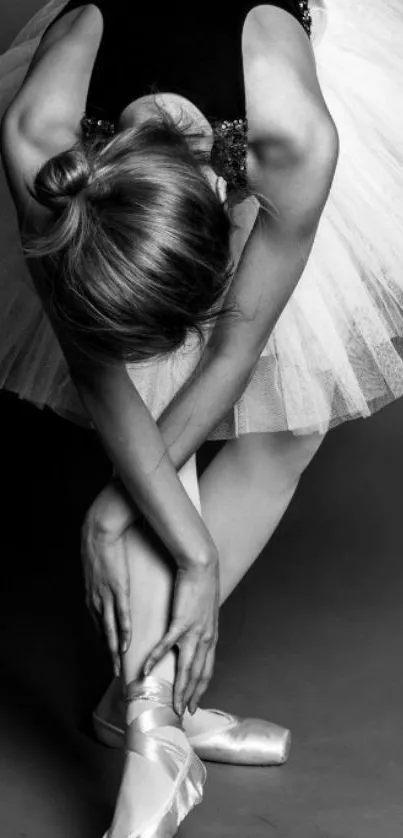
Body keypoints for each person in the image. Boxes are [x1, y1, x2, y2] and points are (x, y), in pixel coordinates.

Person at [1, 1, 402, 836]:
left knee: (286, 429)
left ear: (227, 205)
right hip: (133, 128)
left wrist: (140, 522)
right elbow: (97, 363)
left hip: (258, 75)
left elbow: (231, 349)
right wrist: (182, 544)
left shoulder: (292, 141)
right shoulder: (42, 136)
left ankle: (131, 702)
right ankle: (151, 727)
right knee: (147, 391)